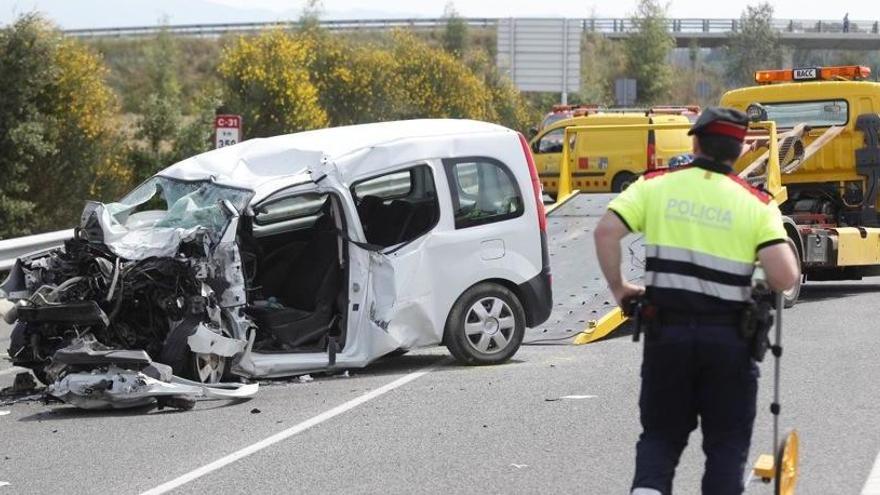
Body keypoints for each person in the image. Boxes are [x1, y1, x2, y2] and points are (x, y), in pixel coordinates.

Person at [593, 107, 800, 495]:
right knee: (725, 446)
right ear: (738, 151)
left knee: (660, 438)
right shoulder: (755, 204)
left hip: (665, 335)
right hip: (729, 344)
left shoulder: (654, 186)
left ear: (696, 141)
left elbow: (605, 233)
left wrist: (621, 289)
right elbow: (785, 276)